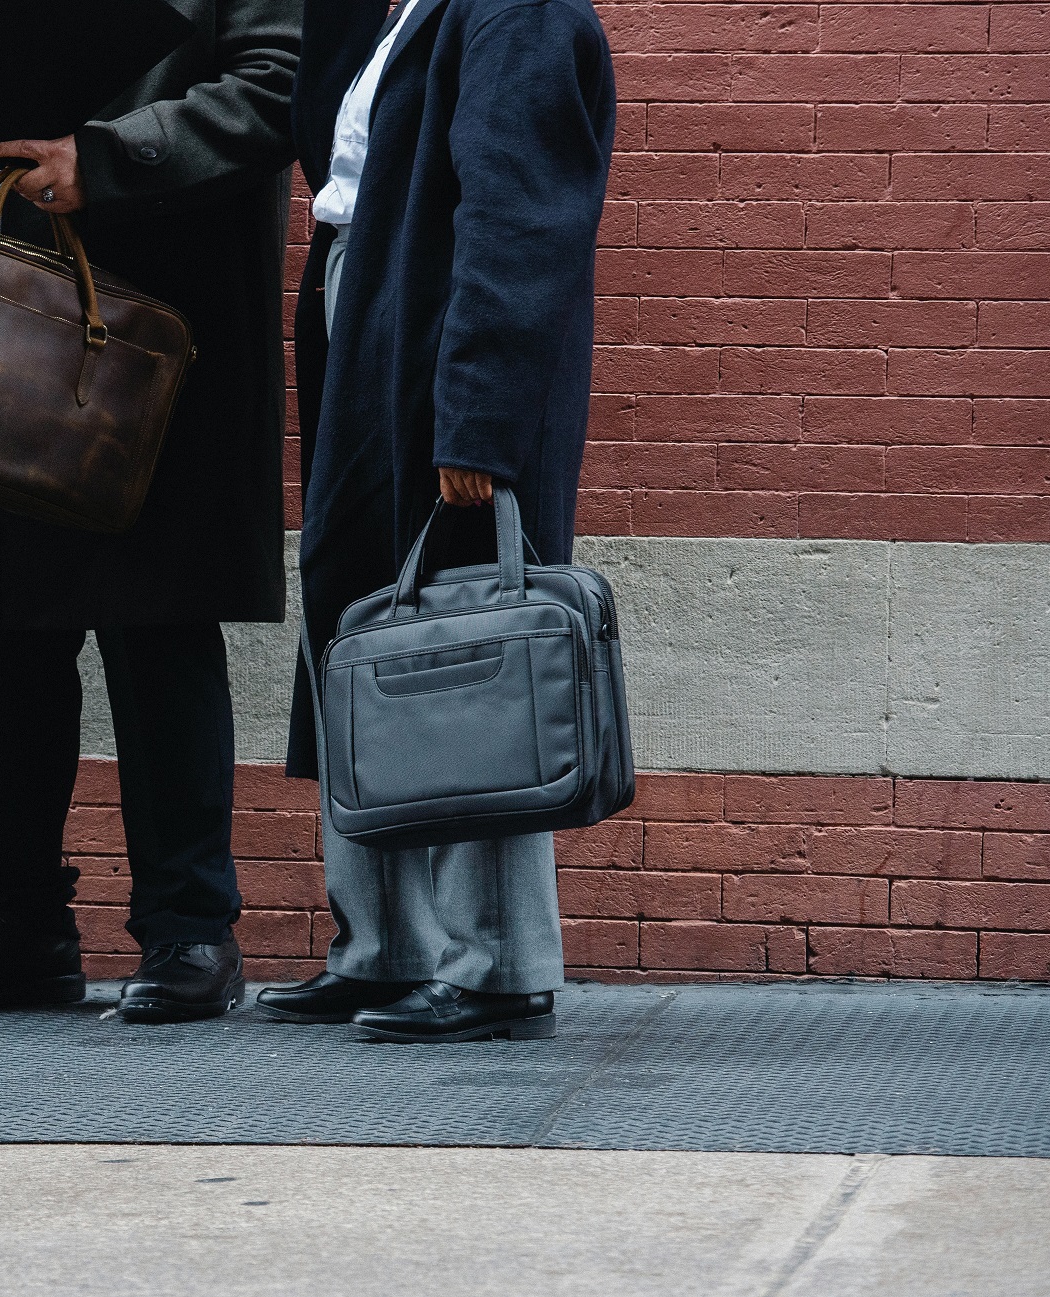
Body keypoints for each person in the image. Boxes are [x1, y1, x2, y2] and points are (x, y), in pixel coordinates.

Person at [0, 1, 301, 1023]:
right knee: (1, 640)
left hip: (145, 331)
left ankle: (189, 932)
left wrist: (106, 156)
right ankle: (16, 930)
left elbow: (275, 88)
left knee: (158, 628)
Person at [255, 0, 615, 1041]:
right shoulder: (396, 10)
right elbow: (324, 146)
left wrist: (480, 418)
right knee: (363, 632)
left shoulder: (518, 11)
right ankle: (386, 951)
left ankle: (496, 966)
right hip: (360, 307)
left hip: (439, 347)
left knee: (471, 654)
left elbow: (520, 216)